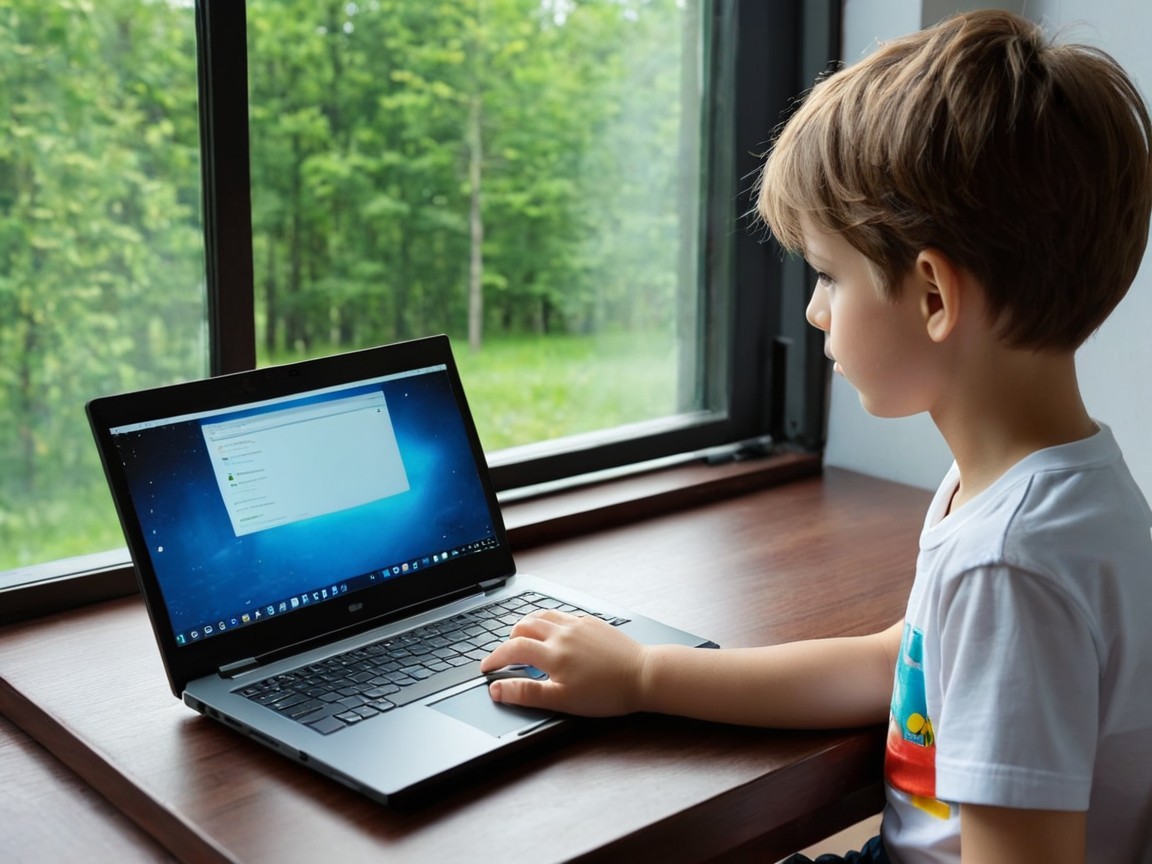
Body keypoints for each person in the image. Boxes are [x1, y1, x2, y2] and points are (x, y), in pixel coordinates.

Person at [481, 9, 1152, 863]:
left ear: (934, 297)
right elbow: (892, 667)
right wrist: (644, 676)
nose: (814, 310)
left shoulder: (1010, 562)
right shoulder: (1051, 484)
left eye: (829, 275)